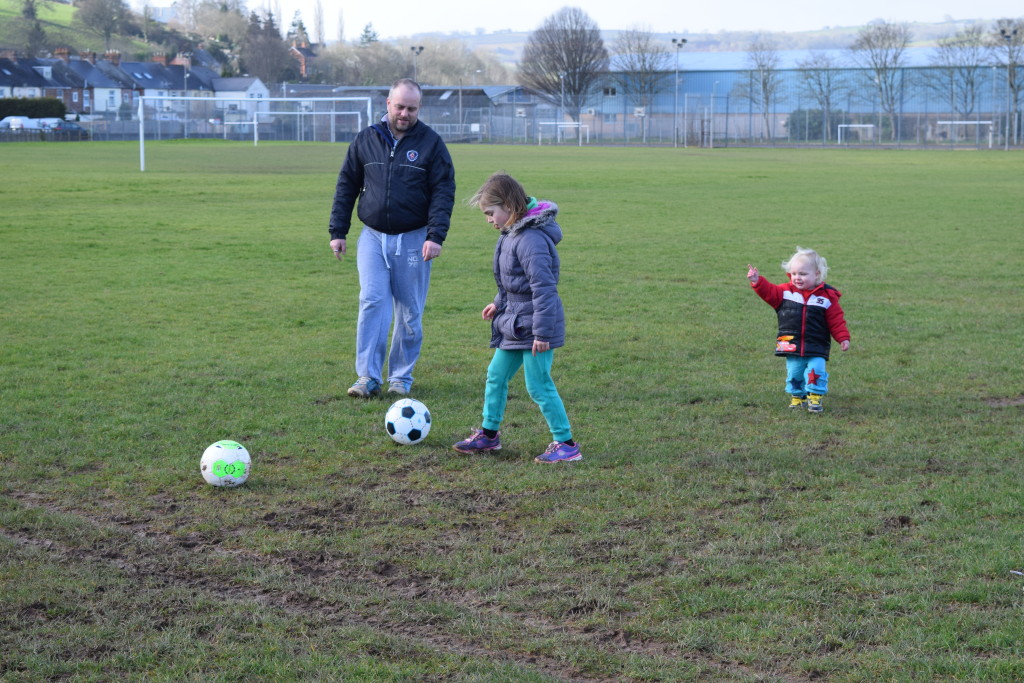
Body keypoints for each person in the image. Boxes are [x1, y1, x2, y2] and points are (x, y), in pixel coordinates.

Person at [328, 78, 456, 398]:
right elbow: (347, 185)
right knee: (372, 302)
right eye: (399, 106)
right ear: (388, 103)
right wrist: (338, 231)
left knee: (409, 311)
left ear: (419, 109)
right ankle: (367, 377)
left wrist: (435, 235)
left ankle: (400, 377)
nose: (404, 113)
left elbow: (443, 192)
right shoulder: (366, 139)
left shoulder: (431, 144)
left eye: (411, 108)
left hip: (413, 238)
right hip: (372, 237)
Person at [453, 172, 581, 463]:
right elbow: (513, 281)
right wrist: (498, 303)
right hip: (514, 322)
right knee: (496, 376)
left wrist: (543, 334)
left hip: (535, 327)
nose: (488, 219)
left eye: (490, 212)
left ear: (509, 206)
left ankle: (567, 444)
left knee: (538, 385)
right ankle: (488, 435)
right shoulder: (511, 234)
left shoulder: (531, 240)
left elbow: (544, 290)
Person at [747, 246, 851, 413]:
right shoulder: (784, 292)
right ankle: (797, 397)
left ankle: (815, 397)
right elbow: (768, 292)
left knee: (816, 371)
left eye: (803, 274)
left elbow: (836, 320)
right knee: (794, 373)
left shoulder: (826, 297)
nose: (797, 278)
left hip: (817, 345)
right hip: (791, 344)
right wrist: (757, 281)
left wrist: (843, 338)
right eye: (794, 274)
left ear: (816, 274)